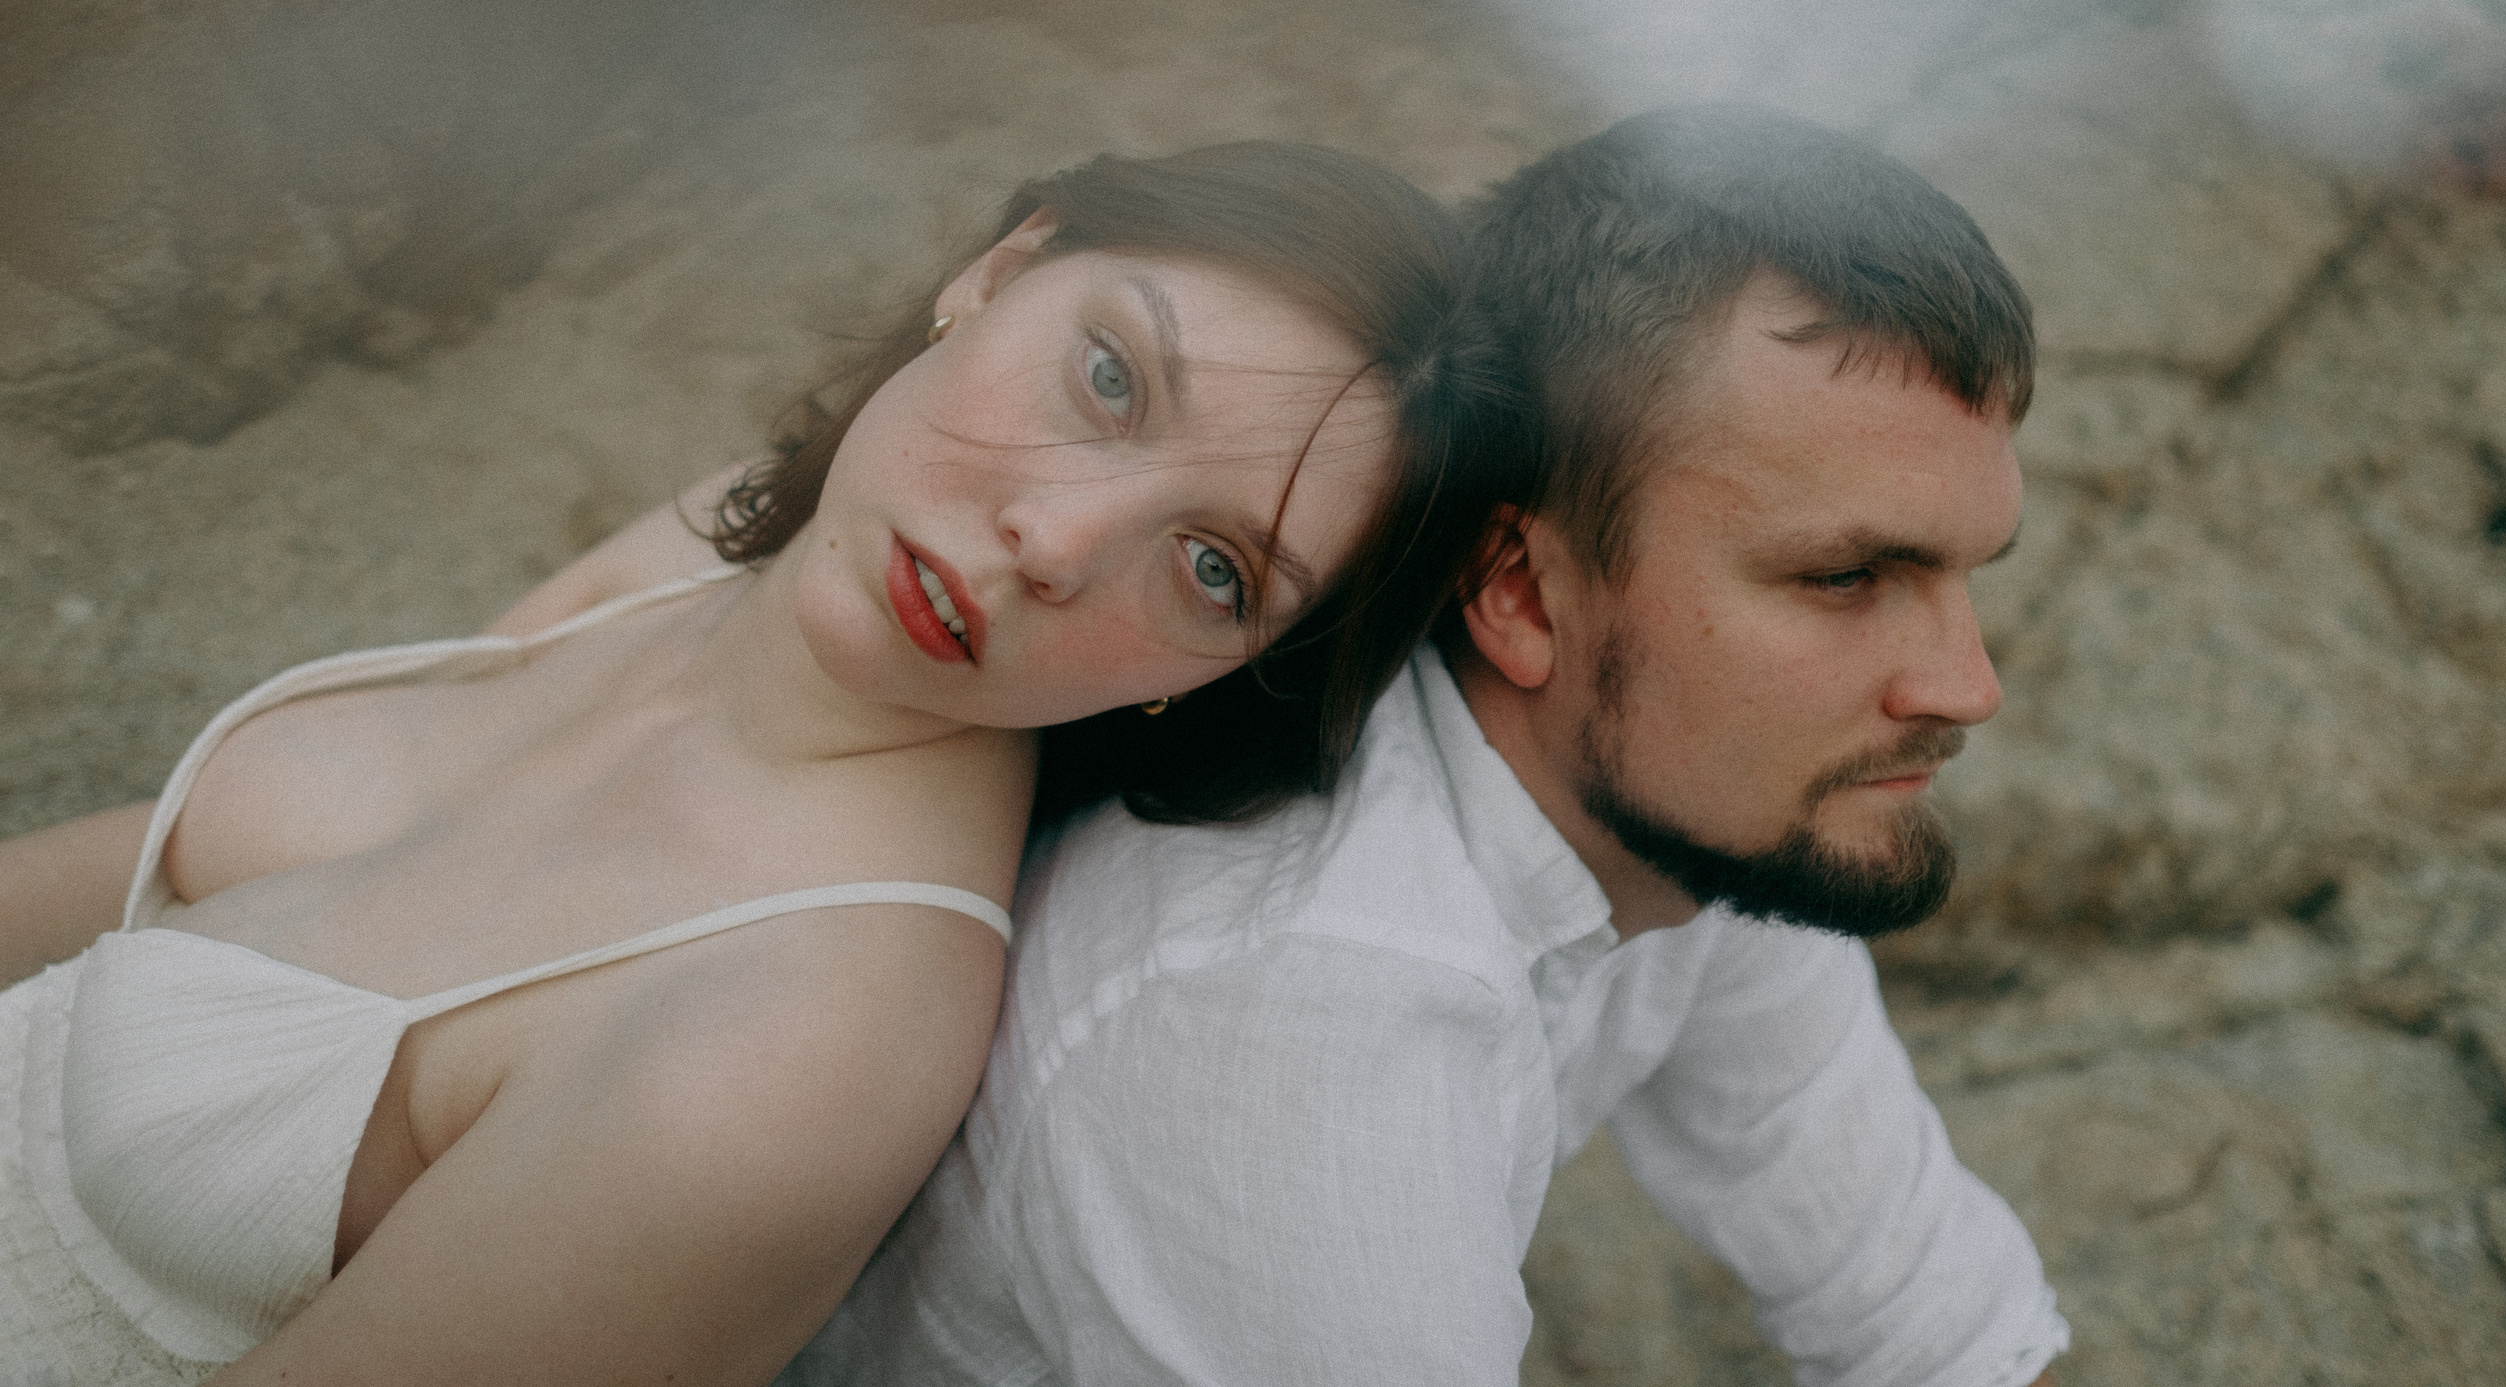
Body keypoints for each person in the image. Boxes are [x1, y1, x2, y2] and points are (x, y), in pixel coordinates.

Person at [0, 141, 1526, 1387]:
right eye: (1113, 377)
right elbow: (144, 894)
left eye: (1210, 568)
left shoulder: (789, 1055)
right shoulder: (739, 538)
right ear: (996, 274)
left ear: (1227, 675)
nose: (1054, 541)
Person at [794, 106, 2071, 1385]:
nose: (1965, 685)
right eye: (1847, 576)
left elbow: (1933, 1319)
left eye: (1964, 576)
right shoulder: (1288, 1026)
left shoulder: (1720, 806)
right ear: (1517, 588)